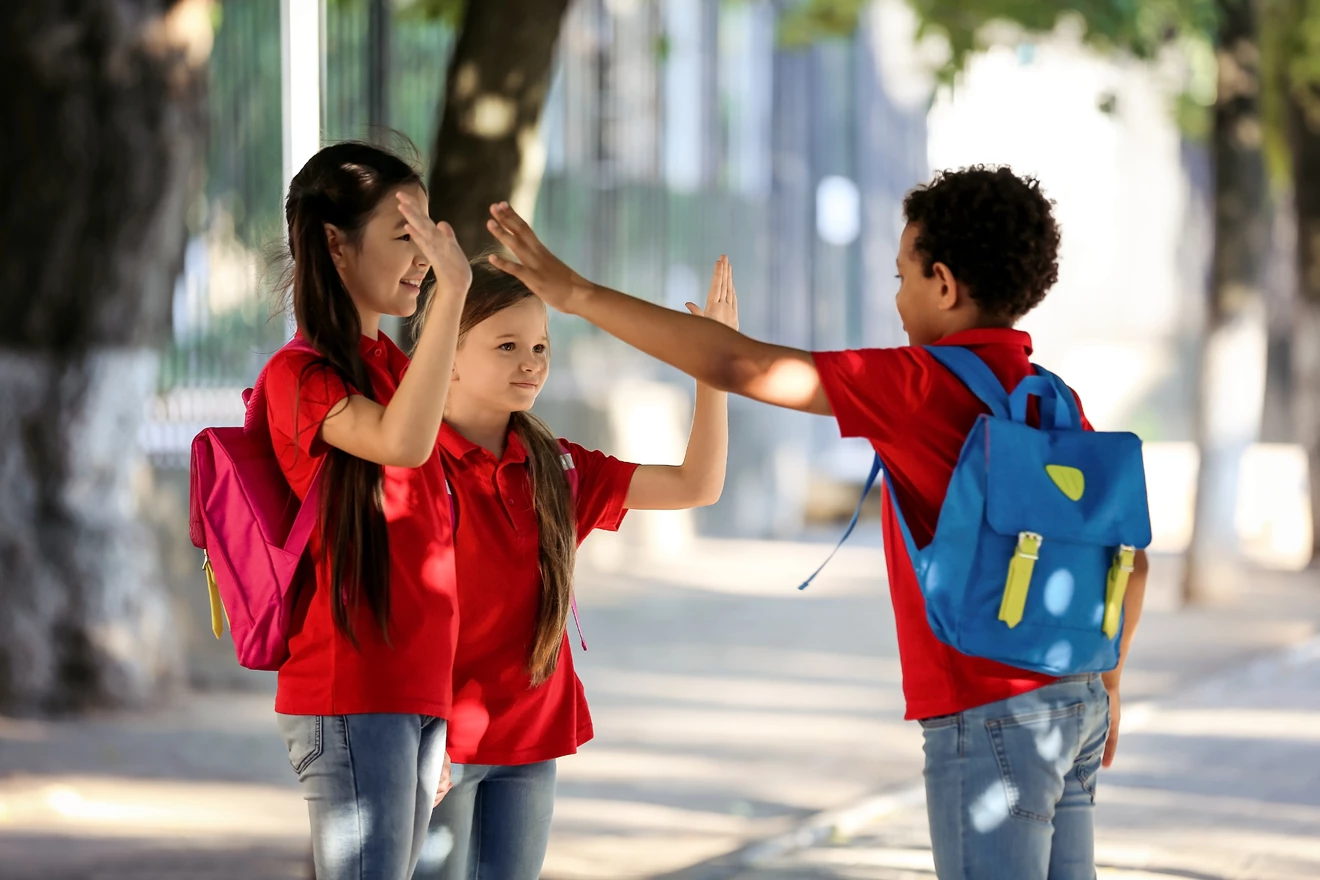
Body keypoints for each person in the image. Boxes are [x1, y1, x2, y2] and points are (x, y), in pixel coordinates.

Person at [481, 166, 1151, 880]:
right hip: (1078, 696)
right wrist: (1108, 678)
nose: (896, 300)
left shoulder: (921, 382)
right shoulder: (1052, 396)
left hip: (990, 713)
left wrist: (577, 293)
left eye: (903, 277)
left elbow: (746, 366)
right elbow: (1129, 557)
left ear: (946, 285)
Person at [413, 255, 736, 880]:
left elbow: (698, 484)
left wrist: (714, 366)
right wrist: (422, 736)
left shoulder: (558, 467)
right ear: (443, 350)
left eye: (539, 345)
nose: (531, 361)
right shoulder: (411, 460)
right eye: (506, 345)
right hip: (436, 743)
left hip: (531, 741)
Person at [262, 141, 471, 879]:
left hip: (408, 691)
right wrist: (452, 295)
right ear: (335, 245)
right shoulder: (300, 376)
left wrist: (442, 707)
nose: (423, 255)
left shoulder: (390, 366)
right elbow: (404, 444)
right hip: (352, 692)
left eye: (428, 236)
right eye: (403, 236)